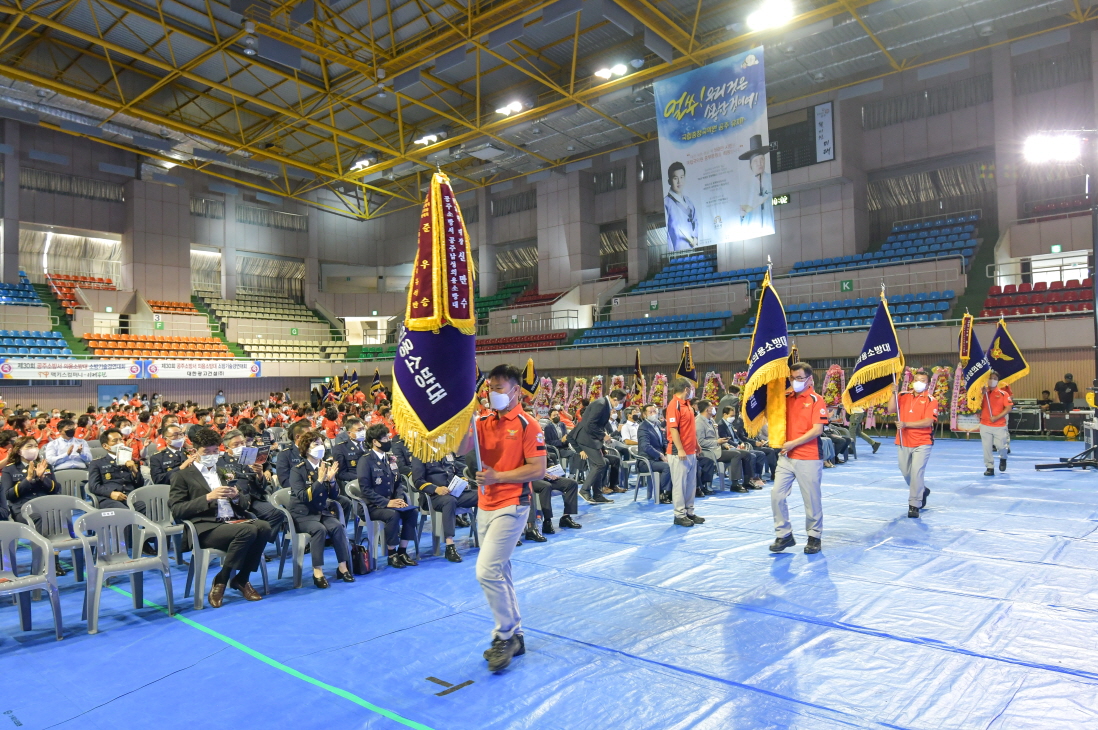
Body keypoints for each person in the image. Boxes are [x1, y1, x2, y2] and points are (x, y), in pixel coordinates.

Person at [459, 363, 546, 673]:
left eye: (498, 388)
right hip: (486, 504)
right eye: (489, 388)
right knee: (500, 570)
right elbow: (462, 447)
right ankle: (516, 634)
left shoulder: (527, 424)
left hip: (513, 503)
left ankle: (505, 635)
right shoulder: (482, 420)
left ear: (515, 390)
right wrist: (462, 416)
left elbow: (537, 469)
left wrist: (498, 477)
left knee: (486, 570)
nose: (492, 393)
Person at [168, 426, 271, 607]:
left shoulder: (224, 472)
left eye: (215, 451)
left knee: (264, 527)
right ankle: (222, 580)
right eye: (206, 452)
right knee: (247, 531)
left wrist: (236, 496)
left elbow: (244, 503)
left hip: (232, 520)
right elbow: (177, 510)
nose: (211, 455)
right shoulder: (182, 476)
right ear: (195, 452)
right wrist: (207, 498)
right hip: (205, 527)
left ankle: (242, 578)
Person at [769, 362, 828, 555]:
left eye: (800, 378)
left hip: (809, 457)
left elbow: (817, 430)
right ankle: (784, 534)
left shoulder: (816, 400)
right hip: (786, 457)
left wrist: (793, 443)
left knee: (811, 498)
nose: (796, 381)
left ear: (809, 379)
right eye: (793, 378)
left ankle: (814, 536)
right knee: (776, 495)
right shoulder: (785, 398)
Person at [287, 429, 354, 587]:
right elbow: (303, 497)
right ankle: (318, 572)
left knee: (337, 526)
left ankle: (343, 568)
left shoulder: (325, 466)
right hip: (303, 514)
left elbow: (334, 495)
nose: (320, 447)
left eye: (321, 443)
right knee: (319, 530)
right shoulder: (297, 470)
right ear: (306, 449)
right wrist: (319, 481)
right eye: (316, 444)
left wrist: (332, 481)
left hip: (321, 511)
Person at [357, 424, 419, 568]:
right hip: (372, 506)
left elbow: (398, 483)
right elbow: (366, 490)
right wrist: (387, 503)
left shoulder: (390, 459)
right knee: (393, 515)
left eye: (388, 437)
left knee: (412, 512)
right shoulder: (365, 460)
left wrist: (399, 499)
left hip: (391, 502)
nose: (388, 440)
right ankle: (392, 554)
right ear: (375, 441)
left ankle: (402, 551)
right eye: (384, 438)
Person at [411, 451, 479, 562]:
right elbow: (418, 481)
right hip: (433, 497)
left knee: (480, 495)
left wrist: (463, 480)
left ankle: (487, 534)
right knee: (449, 501)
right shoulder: (420, 454)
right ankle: (450, 546)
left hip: (454, 492)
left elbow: (457, 470)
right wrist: (436, 489)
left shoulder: (446, 451)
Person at [886, 370, 937, 518]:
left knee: (916, 473)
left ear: (928, 384)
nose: (919, 382)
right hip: (903, 440)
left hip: (922, 442)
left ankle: (914, 504)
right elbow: (891, 409)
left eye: (923, 380)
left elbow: (928, 421)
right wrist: (893, 393)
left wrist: (906, 424)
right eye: (917, 379)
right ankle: (922, 490)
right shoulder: (903, 395)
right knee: (906, 472)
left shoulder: (931, 400)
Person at [220, 429, 286, 541]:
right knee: (248, 522)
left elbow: (262, 487)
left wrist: (260, 474)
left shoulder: (252, 457)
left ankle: (259, 542)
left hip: (254, 498)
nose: (240, 446)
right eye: (236, 444)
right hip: (235, 501)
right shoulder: (220, 462)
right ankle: (253, 543)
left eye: (242, 443)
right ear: (227, 447)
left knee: (277, 514)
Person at [571, 388, 627, 504]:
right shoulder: (601, 404)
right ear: (615, 399)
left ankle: (597, 495)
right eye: (621, 402)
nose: (621, 405)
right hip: (586, 438)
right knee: (600, 464)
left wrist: (602, 442)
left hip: (593, 439)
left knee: (599, 465)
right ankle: (584, 490)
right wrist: (603, 435)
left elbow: (597, 424)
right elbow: (590, 424)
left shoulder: (604, 404)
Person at [696, 399, 754, 493]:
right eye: (711, 407)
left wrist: (726, 444)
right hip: (710, 451)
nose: (713, 408)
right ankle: (735, 484)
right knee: (736, 454)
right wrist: (717, 442)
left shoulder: (711, 420)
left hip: (719, 448)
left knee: (746, 454)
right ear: (707, 409)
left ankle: (747, 481)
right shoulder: (699, 422)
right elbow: (700, 442)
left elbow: (717, 437)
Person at [666, 378, 702, 527]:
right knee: (679, 485)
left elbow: (690, 428)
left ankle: (689, 512)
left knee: (691, 484)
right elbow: (673, 429)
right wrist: (680, 449)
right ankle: (679, 515)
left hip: (691, 450)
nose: (692, 391)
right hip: (678, 452)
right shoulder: (674, 405)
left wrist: (696, 444)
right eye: (691, 388)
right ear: (686, 389)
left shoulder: (688, 405)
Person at [87, 428, 146, 510]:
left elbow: (140, 485)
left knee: (151, 507)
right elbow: (94, 486)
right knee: (124, 512)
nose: (119, 443)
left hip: (130, 497)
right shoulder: (97, 463)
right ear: (105, 446)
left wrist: (134, 471)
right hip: (109, 499)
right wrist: (110, 493)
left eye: (121, 440)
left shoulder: (133, 461)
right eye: (115, 441)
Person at [718, 406, 766, 489]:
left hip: (738, 446)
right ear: (725, 414)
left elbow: (737, 437)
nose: (733, 418)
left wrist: (742, 443)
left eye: (734, 416)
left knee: (760, 454)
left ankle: (756, 477)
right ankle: (748, 480)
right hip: (730, 448)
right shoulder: (721, 425)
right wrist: (737, 446)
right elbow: (725, 439)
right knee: (751, 455)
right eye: (731, 416)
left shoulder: (730, 424)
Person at [980, 370, 1013, 476]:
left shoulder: (1003, 393)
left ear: (998, 381)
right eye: (990, 378)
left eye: (995, 379)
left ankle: (1003, 458)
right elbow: (975, 406)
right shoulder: (982, 393)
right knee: (987, 447)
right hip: (985, 424)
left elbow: (1008, 408)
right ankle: (989, 467)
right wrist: (981, 395)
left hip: (999, 425)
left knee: (1001, 446)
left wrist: (997, 417)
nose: (992, 380)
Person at [637, 403, 672, 503]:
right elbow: (645, 446)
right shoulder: (643, 427)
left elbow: (664, 442)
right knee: (667, 467)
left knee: (675, 463)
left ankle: (672, 493)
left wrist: (667, 453)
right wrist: (660, 455)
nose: (653, 414)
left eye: (655, 411)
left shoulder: (657, 424)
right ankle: (662, 493)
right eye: (650, 412)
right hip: (647, 460)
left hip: (659, 459)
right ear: (644, 415)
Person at [664, 161, 698, 251]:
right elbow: (667, 232)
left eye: (681, 177)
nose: (679, 181)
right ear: (669, 181)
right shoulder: (666, 203)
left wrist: (695, 237)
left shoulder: (689, 201)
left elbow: (695, 221)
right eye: (675, 178)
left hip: (692, 247)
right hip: (677, 250)